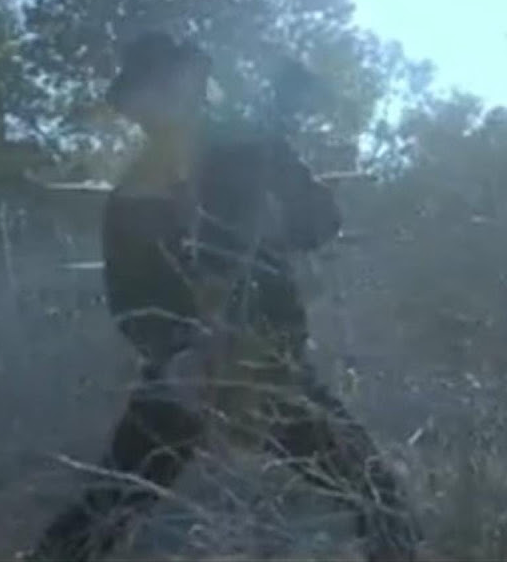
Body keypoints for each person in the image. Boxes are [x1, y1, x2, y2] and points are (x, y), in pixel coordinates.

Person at [26, 32, 421, 561]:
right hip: (187, 372)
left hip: (267, 363)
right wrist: (177, 353)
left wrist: (280, 217)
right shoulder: (130, 198)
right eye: (148, 90)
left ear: (194, 82)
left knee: (373, 494)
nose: (162, 99)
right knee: (110, 506)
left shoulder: (254, 151)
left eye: (170, 81)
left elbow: (321, 222)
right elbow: (130, 301)